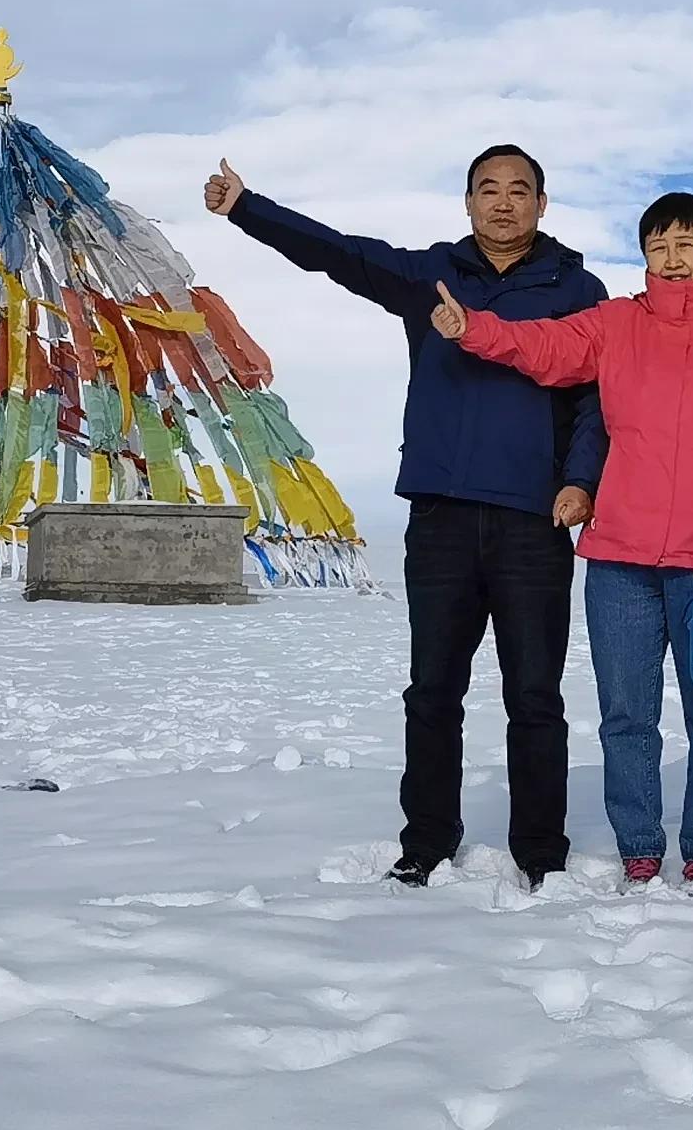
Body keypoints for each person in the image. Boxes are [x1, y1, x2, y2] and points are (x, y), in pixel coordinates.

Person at [205, 146, 607, 890]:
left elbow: (594, 403)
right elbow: (339, 254)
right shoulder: (431, 276)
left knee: (535, 698)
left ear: (542, 205)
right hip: (443, 518)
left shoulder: (578, 290)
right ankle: (426, 840)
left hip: (532, 521)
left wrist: (580, 482)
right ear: (467, 203)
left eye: (520, 191)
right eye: (488, 189)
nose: (503, 203)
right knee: (432, 694)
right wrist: (247, 207)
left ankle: (541, 851)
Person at [429, 191, 693, 890]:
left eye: (687, 245)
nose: (673, 259)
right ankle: (640, 845)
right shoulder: (617, 321)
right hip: (619, 553)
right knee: (627, 716)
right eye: (659, 247)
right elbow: (548, 348)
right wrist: (474, 328)